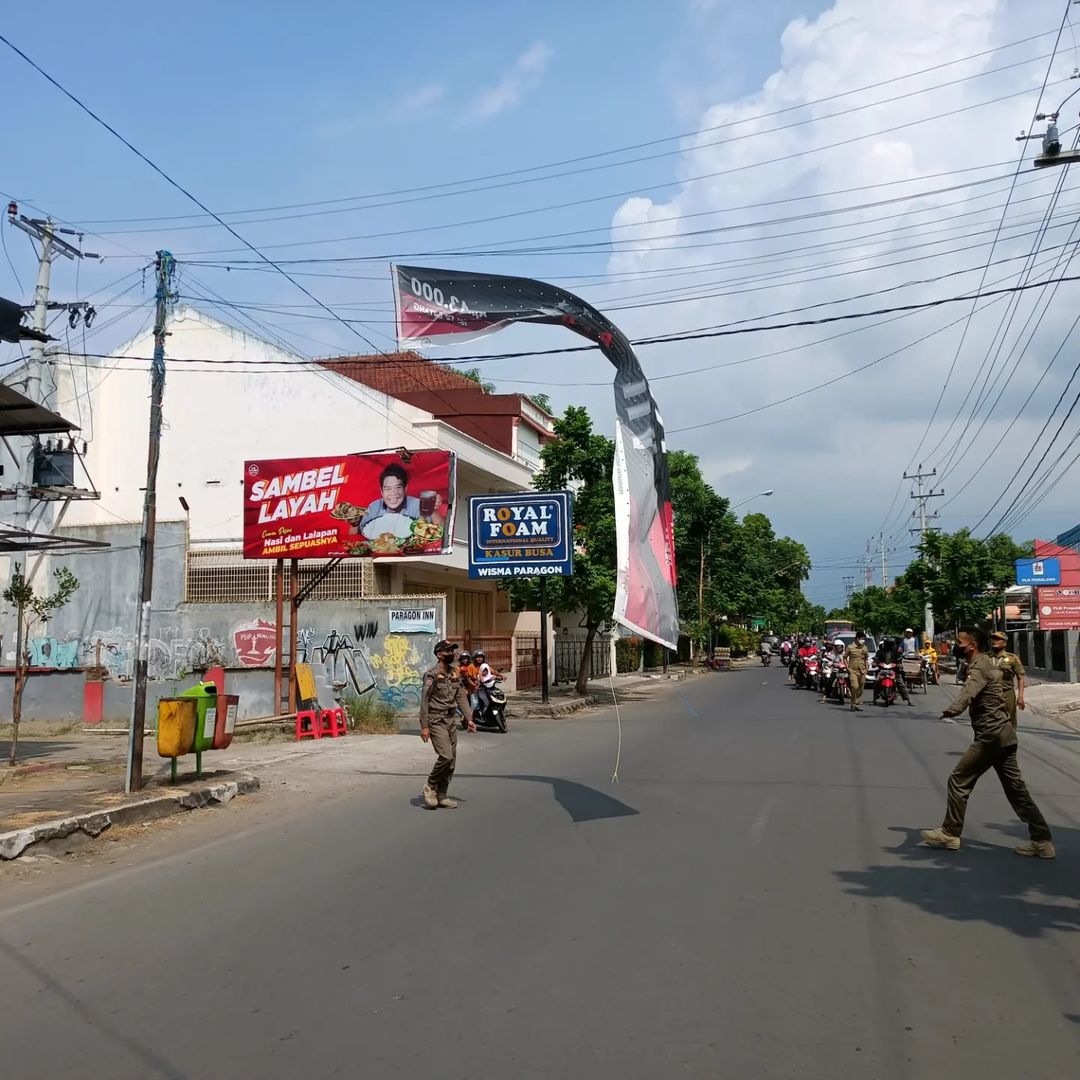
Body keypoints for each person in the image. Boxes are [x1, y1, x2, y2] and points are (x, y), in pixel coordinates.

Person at [921, 627, 1053, 857]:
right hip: (1005, 735)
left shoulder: (980, 667)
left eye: (960, 643)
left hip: (991, 736)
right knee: (1016, 790)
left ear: (971, 646)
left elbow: (968, 693)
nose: (956, 646)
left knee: (959, 780)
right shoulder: (987, 664)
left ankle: (950, 833)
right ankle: (1042, 841)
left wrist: (953, 710)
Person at [419, 639, 475, 809]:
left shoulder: (455, 673)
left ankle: (442, 794)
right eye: (448, 651)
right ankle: (431, 785)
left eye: (453, 651)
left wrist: (469, 718)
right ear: (439, 654)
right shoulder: (432, 674)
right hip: (436, 720)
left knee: (452, 762)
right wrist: (425, 726)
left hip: (451, 720)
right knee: (446, 756)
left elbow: (460, 697)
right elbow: (425, 700)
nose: (452, 654)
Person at [359, 463, 442, 540]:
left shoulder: (418, 504)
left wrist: (433, 508)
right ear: (381, 491)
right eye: (387, 488)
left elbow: (442, 530)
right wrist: (354, 523)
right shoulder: (373, 508)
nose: (393, 493)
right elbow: (356, 535)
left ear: (405, 489)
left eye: (398, 487)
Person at [989, 629, 1025, 724]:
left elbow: (1020, 678)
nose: (994, 641)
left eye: (998, 639)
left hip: (1007, 694)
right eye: (993, 639)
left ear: (1004, 643)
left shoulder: (1012, 658)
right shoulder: (985, 658)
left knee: (1009, 721)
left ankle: (1010, 738)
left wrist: (1020, 697)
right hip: (989, 694)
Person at [874, 636, 913, 705]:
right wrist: (875, 663)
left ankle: (908, 700)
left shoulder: (896, 652)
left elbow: (899, 659)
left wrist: (899, 664)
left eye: (890, 644)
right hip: (883, 670)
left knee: (900, 684)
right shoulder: (880, 651)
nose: (888, 645)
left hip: (894, 670)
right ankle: (875, 698)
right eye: (887, 643)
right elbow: (876, 658)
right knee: (877, 682)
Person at [845, 631, 870, 711]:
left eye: (864, 639)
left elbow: (866, 658)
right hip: (853, 671)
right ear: (857, 638)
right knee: (855, 686)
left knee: (861, 688)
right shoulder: (850, 647)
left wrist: (866, 668)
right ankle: (852, 703)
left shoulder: (865, 647)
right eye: (862, 639)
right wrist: (847, 668)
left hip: (862, 671)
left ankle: (856, 703)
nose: (863, 641)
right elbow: (844, 657)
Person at [458, 650, 480, 727]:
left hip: (472, 688)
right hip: (462, 689)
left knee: (475, 703)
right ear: (460, 660)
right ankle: (463, 715)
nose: (465, 660)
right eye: (463, 659)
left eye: (466, 658)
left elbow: (475, 677)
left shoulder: (471, 667)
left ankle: (470, 717)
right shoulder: (458, 668)